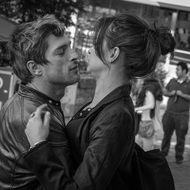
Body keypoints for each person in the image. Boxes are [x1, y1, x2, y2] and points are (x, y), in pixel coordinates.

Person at [24, 13, 175, 190]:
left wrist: (38, 145)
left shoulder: (116, 116)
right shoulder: (103, 103)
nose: (89, 50)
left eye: (96, 43)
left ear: (113, 53)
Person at [0, 15, 79, 189]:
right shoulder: (36, 117)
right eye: (61, 51)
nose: (74, 55)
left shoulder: (36, 103)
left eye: (70, 47)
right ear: (35, 68)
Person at [161, 61, 190, 164]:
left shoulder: (189, 83)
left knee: (181, 137)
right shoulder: (172, 81)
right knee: (166, 135)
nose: (176, 71)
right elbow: (164, 91)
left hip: (182, 116)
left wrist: (182, 95)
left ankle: (179, 157)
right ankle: (163, 153)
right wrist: (170, 93)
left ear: (184, 71)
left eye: (178, 69)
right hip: (169, 114)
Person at [135, 74, 163, 151]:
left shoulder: (148, 90)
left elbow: (151, 105)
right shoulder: (154, 89)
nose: (139, 82)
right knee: (144, 149)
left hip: (146, 123)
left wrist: (136, 109)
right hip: (148, 123)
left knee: (145, 151)